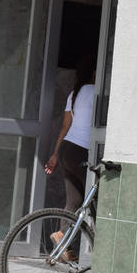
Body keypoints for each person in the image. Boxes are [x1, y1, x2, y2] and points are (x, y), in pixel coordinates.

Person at [44, 58, 94, 258]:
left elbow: (65, 127)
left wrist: (56, 155)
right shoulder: (97, 92)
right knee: (96, 199)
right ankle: (98, 248)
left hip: (67, 149)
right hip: (82, 151)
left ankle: (63, 241)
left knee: (74, 201)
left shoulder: (75, 93)